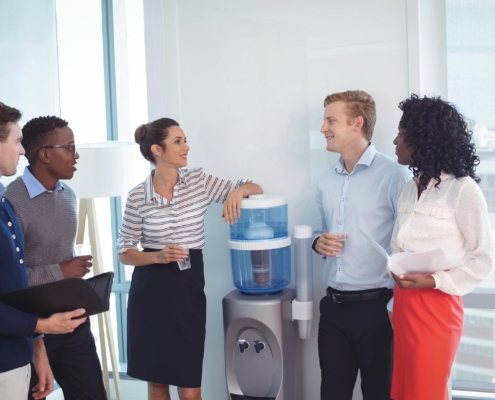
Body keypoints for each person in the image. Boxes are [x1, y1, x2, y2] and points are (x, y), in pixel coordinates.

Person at [117, 117, 263, 400]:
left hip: (187, 288)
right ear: (157, 151)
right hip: (149, 293)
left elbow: (254, 187)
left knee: (189, 381)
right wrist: (158, 256)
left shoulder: (199, 181)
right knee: (157, 383)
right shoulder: (137, 196)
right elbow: (124, 251)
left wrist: (237, 192)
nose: (186, 147)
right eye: (178, 141)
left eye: (184, 140)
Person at [390, 94, 494, 400]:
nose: (395, 141)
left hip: (437, 306)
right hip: (404, 303)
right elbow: (399, 245)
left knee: (427, 391)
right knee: (405, 390)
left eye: (402, 135)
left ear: (423, 140)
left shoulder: (463, 189)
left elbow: (483, 260)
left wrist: (434, 280)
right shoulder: (410, 188)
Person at [313, 90, 411, 399]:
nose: (322, 128)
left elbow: (407, 245)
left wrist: (394, 307)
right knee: (332, 394)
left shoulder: (395, 176)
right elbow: (318, 229)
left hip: (378, 310)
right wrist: (318, 242)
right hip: (333, 310)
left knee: (379, 394)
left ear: (357, 123)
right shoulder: (326, 179)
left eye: (331, 120)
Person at [5, 116, 107, 400]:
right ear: (45, 154)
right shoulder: (12, 201)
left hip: (75, 323)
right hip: (33, 328)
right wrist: (61, 271)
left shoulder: (69, 196)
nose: (76, 156)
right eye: (69, 147)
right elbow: (11, 280)